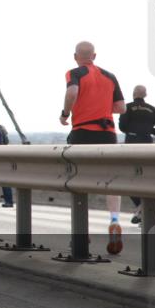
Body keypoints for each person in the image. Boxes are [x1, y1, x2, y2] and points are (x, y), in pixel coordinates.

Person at [59, 41, 125, 231]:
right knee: (111, 180)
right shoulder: (110, 76)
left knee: (79, 179)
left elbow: (72, 93)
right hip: (107, 134)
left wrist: (65, 114)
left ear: (75, 57)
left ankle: (81, 229)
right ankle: (114, 220)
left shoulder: (75, 73)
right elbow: (121, 108)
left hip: (82, 132)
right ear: (94, 56)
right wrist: (102, 106)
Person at [118, 85, 155, 224]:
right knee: (144, 178)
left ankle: (140, 207)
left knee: (128, 178)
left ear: (134, 94)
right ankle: (142, 210)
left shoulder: (126, 107)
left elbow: (122, 127)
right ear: (145, 95)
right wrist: (148, 130)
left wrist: (135, 130)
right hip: (147, 147)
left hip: (131, 146)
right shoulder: (152, 109)